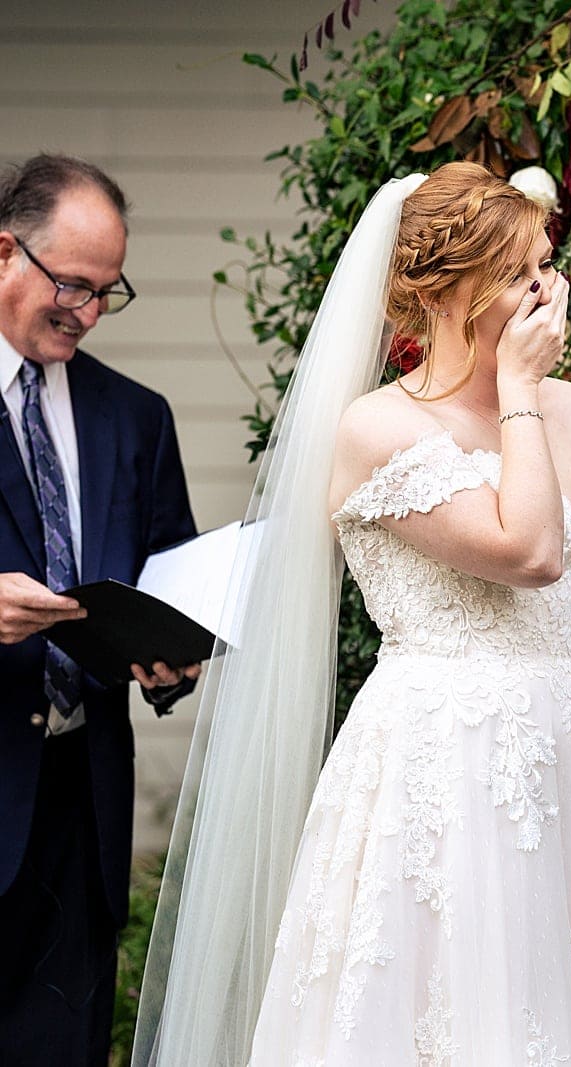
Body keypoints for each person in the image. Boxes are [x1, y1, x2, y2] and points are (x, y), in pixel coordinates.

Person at [134, 162, 571, 1065]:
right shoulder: (380, 432)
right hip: (442, 772)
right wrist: (521, 392)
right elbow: (530, 551)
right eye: (524, 272)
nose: (550, 291)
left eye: (548, 262)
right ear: (450, 297)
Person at [0, 155, 201, 1066]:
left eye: (105, 293)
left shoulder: (139, 417)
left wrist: (174, 656)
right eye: (71, 285)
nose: (84, 311)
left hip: (81, 810)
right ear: (6, 253)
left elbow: (171, 588)